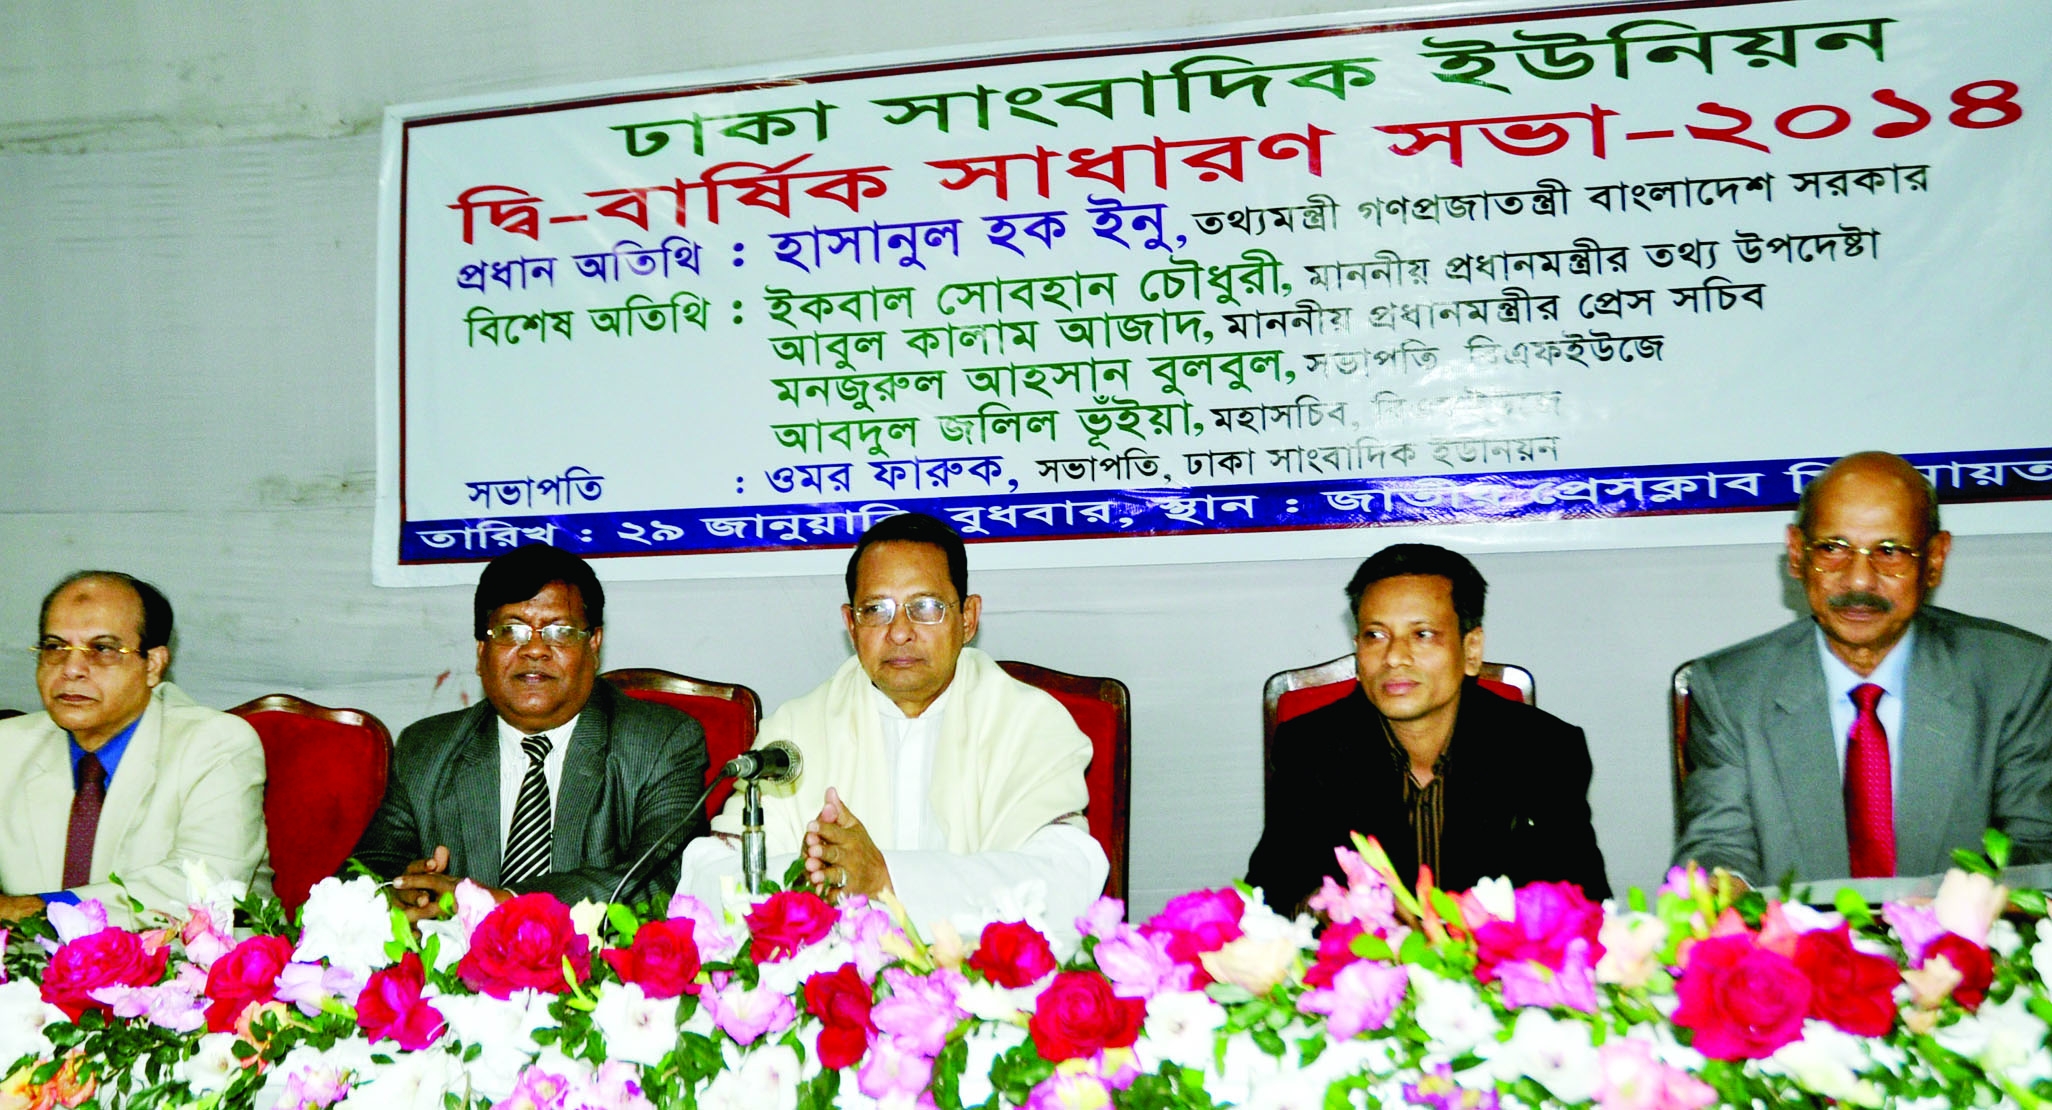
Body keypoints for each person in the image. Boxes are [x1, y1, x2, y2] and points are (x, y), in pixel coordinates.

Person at [677, 512, 1105, 932]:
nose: (900, 631)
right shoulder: (795, 733)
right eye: (876, 610)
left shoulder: (1030, 724)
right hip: (830, 988)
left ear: (968, 618)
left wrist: (885, 878)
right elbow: (710, 876)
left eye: (926, 607)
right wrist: (819, 878)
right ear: (850, 623)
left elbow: (1067, 879)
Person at [1673, 451, 2052, 884]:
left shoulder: (2016, 676)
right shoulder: (1730, 691)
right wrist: (1726, 892)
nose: (1858, 581)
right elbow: (1718, 848)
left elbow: (2037, 848)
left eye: (1890, 552)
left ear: (1934, 559)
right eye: (1833, 549)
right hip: (1794, 949)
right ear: (1796, 554)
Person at [1246, 544, 1610, 913]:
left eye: (1422, 634)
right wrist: (1320, 909)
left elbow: (1584, 902)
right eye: (1375, 635)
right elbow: (1271, 891)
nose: (1394, 657)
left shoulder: (1545, 750)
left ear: (1470, 650)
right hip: (1364, 964)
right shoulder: (1310, 748)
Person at [351, 543, 708, 917]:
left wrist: (501, 902)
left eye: (560, 632)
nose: (535, 650)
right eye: (511, 630)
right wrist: (407, 890)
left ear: (594, 644)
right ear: (480, 651)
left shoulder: (660, 743)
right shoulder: (427, 748)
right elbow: (364, 873)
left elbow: (663, 880)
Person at [0, 571, 270, 926]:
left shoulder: (216, 745)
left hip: (181, 970)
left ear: (153, 665)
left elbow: (202, 889)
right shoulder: (8, 745)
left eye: (102, 649)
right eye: (55, 647)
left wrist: (38, 909)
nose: (72, 669)